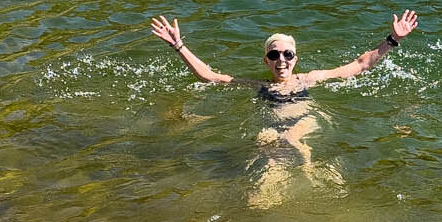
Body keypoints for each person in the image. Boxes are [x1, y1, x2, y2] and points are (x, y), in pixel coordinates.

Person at [149, 12, 419, 205]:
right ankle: (281, 189)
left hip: (303, 122)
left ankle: (310, 170)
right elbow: (209, 76)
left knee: (291, 140)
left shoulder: (309, 78)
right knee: (259, 190)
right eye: (274, 54)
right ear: (266, 61)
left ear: (295, 59)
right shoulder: (257, 86)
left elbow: (360, 64)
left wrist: (393, 39)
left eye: (287, 54)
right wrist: (178, 45)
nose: (281, 60)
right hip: (271, 130)